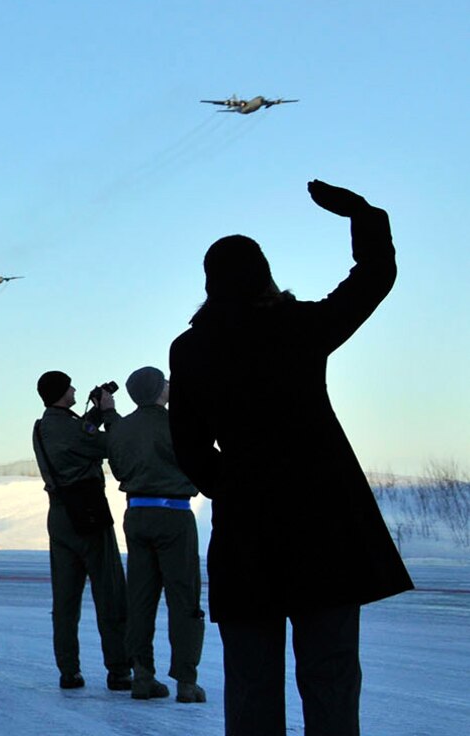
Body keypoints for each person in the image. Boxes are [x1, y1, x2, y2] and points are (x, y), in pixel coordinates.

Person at [170, 180, 411, 736]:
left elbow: (188, 445)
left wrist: (226, 483)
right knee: (329, 677)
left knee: (251, 684)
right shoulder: (297, 326)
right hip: (323, 523)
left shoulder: (191, 349)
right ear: (264, 274)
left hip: (246, 531)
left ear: (209, 282)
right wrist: (363, 217)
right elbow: (373, 280)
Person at [105, 366, 205, 703]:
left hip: (136, 514)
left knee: (141, 597)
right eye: (164, 382)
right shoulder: (177, 422)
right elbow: (199, 460)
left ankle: (142, 675)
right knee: (183, 597)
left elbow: (117, 467)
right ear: (156, 389)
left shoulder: (120, 430)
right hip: (174, 515)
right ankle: (186, 681)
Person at [32, 370, 132, 691]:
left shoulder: (44, 426)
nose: (75, 389)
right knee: (109, 592)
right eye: (71, 386)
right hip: (87, 513)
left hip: (59, 516)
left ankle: (68, 669)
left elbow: (80, 434)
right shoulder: (68, 429)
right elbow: (110, 444)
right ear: (62, 392)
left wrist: (92, 414)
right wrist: (109, 412)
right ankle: (118, 669)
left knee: (65, 599)